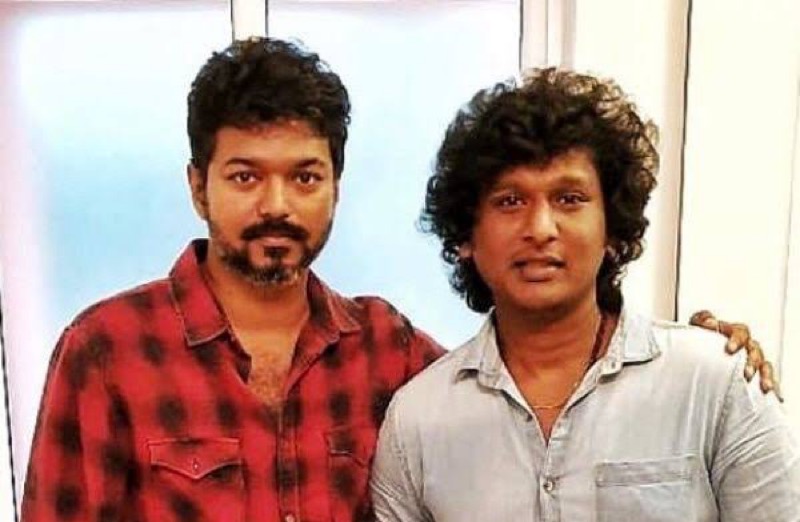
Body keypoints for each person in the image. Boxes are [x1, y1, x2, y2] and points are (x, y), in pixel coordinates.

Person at [19, 38, 774, 522]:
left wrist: (698, 348)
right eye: (245, 176)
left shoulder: (385, 349)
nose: (277, 205)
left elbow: (516, 375)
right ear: (197, 186)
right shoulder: (106, 352)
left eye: (304, 176)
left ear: (335, 187)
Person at [371, 68, 800, 521]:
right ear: (466, 237)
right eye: (510, 201)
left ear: (612, 228)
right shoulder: (418, 422)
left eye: (569, 199)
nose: (540, 229)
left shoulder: (713, 383)